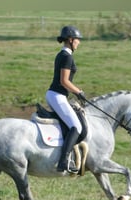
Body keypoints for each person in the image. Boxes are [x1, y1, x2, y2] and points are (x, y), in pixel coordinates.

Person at [46, 26, 86, 174]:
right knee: (76, 127)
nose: (79, 43)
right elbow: (64, 81)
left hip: (56, 94)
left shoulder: (62, 54)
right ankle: (63, 161)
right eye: (77, 40)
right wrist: (79, 92)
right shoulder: (67, 57)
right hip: (57, 95)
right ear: (70, 40)